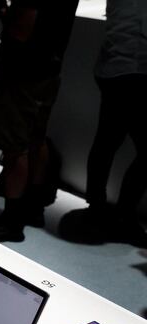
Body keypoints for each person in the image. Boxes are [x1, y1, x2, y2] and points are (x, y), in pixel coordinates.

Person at [0, 0, 80, 242]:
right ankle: (33, 208)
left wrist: (3, 11)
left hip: (23, 70)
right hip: (49, 66)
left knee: (15, 147)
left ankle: (11, 221)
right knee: (36, 137)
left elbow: (22, 28)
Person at [73, 0, 147, 247]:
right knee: (112, 143)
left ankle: (99, 208)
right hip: (133, 68)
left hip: (114, 66)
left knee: (107, 141)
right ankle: (122, 216)